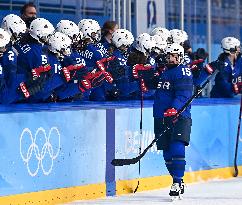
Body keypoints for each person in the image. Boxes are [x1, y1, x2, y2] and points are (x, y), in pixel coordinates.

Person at [153, 43, 193, 200]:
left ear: (180, 57)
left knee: (177, 146)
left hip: (179, 116)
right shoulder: (163, 72)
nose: (169, 59)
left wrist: (175, 108)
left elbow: (184, 94)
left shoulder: (183, 71)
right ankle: (178, 180)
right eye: (168, 56)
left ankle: (176, 182)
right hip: (161, 116)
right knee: (166, 152)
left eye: (172, 56)